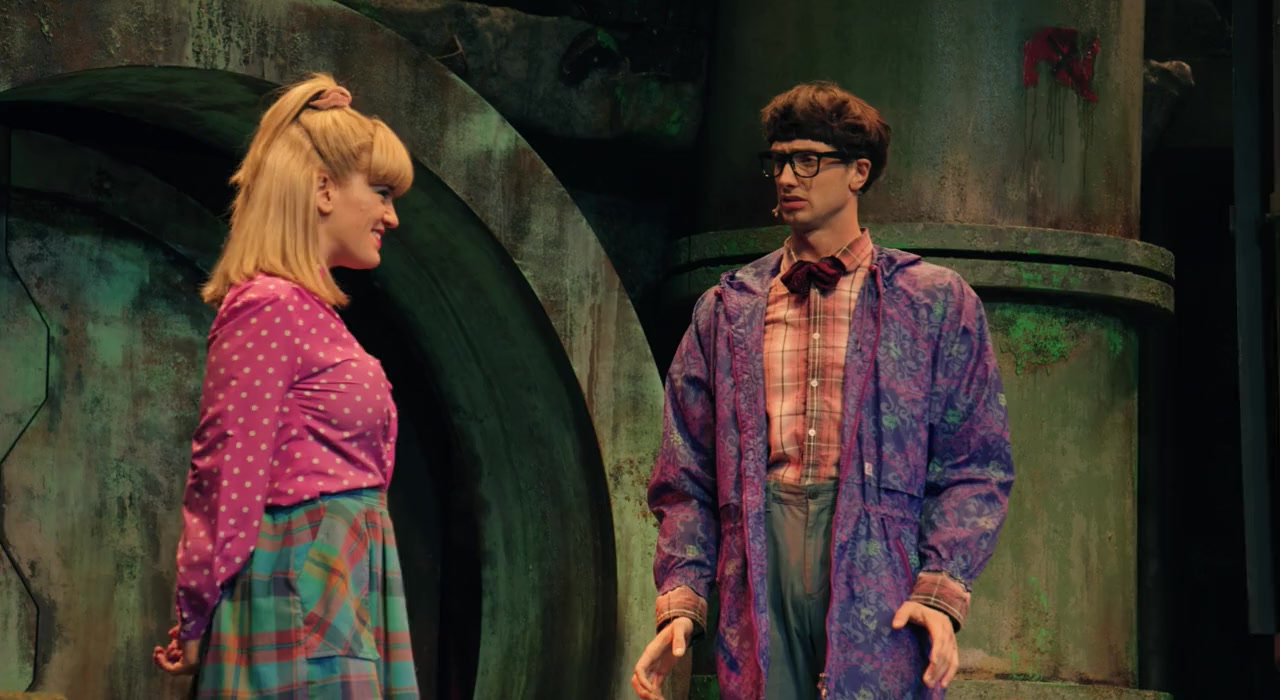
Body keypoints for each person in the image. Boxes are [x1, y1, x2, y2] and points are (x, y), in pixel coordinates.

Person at [631, 81, 1014, 699]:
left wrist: (940, 591)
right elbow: (685, 474)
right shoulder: (728, 310)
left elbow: (976, 463)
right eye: (779, 161)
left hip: (881, 571)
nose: (787, 177)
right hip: (759, 561)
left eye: (808, 160)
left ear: (858, 171)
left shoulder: (933, 302)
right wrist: (683, 598)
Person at [151, 73, 419, 698]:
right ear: (323, 189)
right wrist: (196, 609)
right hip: (300, 594)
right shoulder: (267, 305)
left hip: (334, 585)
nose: (391, 214)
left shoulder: (308, 312)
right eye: (381, 192)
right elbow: (226, 466)